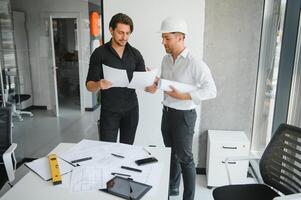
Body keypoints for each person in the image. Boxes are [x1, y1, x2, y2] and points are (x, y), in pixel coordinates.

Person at [146, 16, 217, 200]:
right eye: (163, 38)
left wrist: (185, 96)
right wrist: (153, 83)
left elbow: (211, 90)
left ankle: (189, 197)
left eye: (167, 38)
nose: (163, 42)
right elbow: (165, 84)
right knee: (171, 154)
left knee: (185, 158)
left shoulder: (195, 63)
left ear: (180, 37)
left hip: (184, 116)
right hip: (167, 113)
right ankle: (173, 187)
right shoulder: (166, 60)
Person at [86, 13, 146, 145]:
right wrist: (99, 84)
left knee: (127, 150)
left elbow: (144, 83)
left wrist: (150, 81)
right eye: (120, 32)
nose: (124, 37)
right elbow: (89, 85)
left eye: (127, 33)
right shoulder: (99, 53)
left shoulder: (136, 54)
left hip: (131, 110)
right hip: (109, 111)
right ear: (111, 30)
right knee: (106, 150)